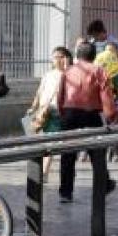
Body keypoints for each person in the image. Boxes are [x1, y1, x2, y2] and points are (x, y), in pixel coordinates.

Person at [57, 42, 117, 203]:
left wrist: (63, 114)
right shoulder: (98, 71)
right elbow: (106, 96)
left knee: (67, 153)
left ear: (77, 55)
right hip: (91, 114)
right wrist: (111, 115)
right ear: (94, 56)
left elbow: (60, 95)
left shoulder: (68, 71)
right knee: (97, 152)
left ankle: (65, 192)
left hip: (69, 114)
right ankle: (103, 184)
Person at [28, 46, 71, 176]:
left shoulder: (68, 74)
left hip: (57, 112)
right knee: (45, 142)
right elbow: (40, 91)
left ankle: (45, 172)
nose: (57, 60)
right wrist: (33, 107)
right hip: (43, 112)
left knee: (52, 142)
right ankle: (44, 171)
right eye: (55, 57)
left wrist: (67, 68)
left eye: (60, 57)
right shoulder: (48, 74)